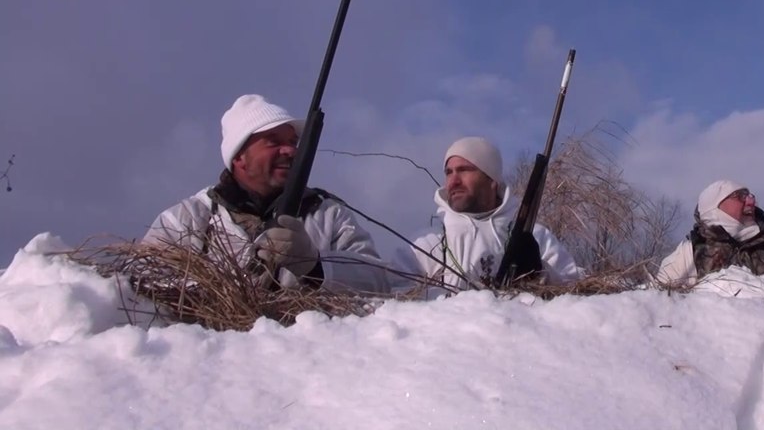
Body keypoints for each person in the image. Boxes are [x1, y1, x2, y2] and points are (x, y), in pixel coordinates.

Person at [142, 94, 391, 294]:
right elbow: (143, 285)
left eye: (293, 143)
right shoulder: (187, 219)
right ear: (238, 156)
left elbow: (380, 281)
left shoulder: (329, 214)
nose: (290, 151)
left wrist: (315, 265)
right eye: (273, 141)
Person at [397, 136, 583, 294]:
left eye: (464, 170)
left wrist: (541, 272)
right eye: (448, 172)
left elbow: (575, 293)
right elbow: (392, 300)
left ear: (492, 179)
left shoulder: (536, 237)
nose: (453, 181)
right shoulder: (425, 245)